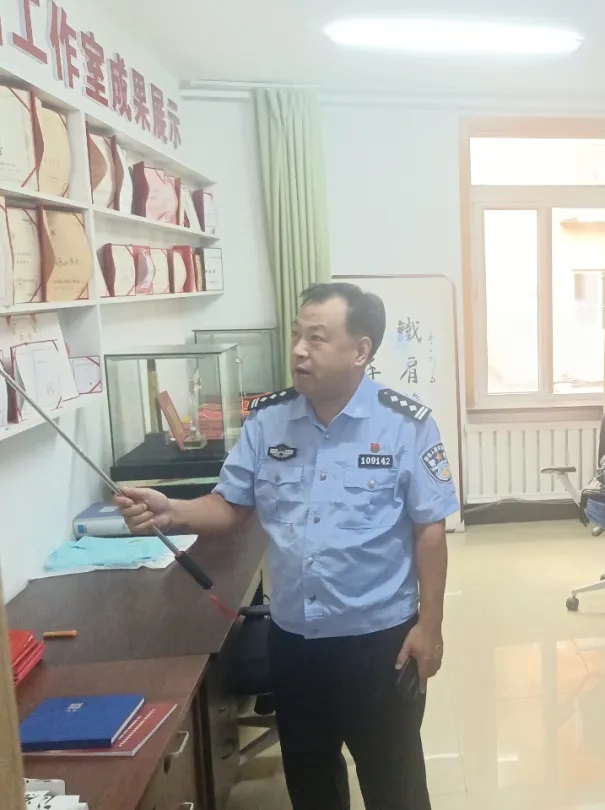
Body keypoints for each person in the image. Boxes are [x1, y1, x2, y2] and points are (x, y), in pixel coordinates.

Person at [115, 283, 459, 810]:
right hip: (295, 640)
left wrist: (429, 627)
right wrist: (172, 511)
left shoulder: (405, 424)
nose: (298, 350)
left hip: (379, 644)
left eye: (316, 338)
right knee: (311, 783)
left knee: (395, 786)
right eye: (297, 335)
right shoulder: (268, 419)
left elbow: (429, 531)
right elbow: (231, 505)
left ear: (360, 350)